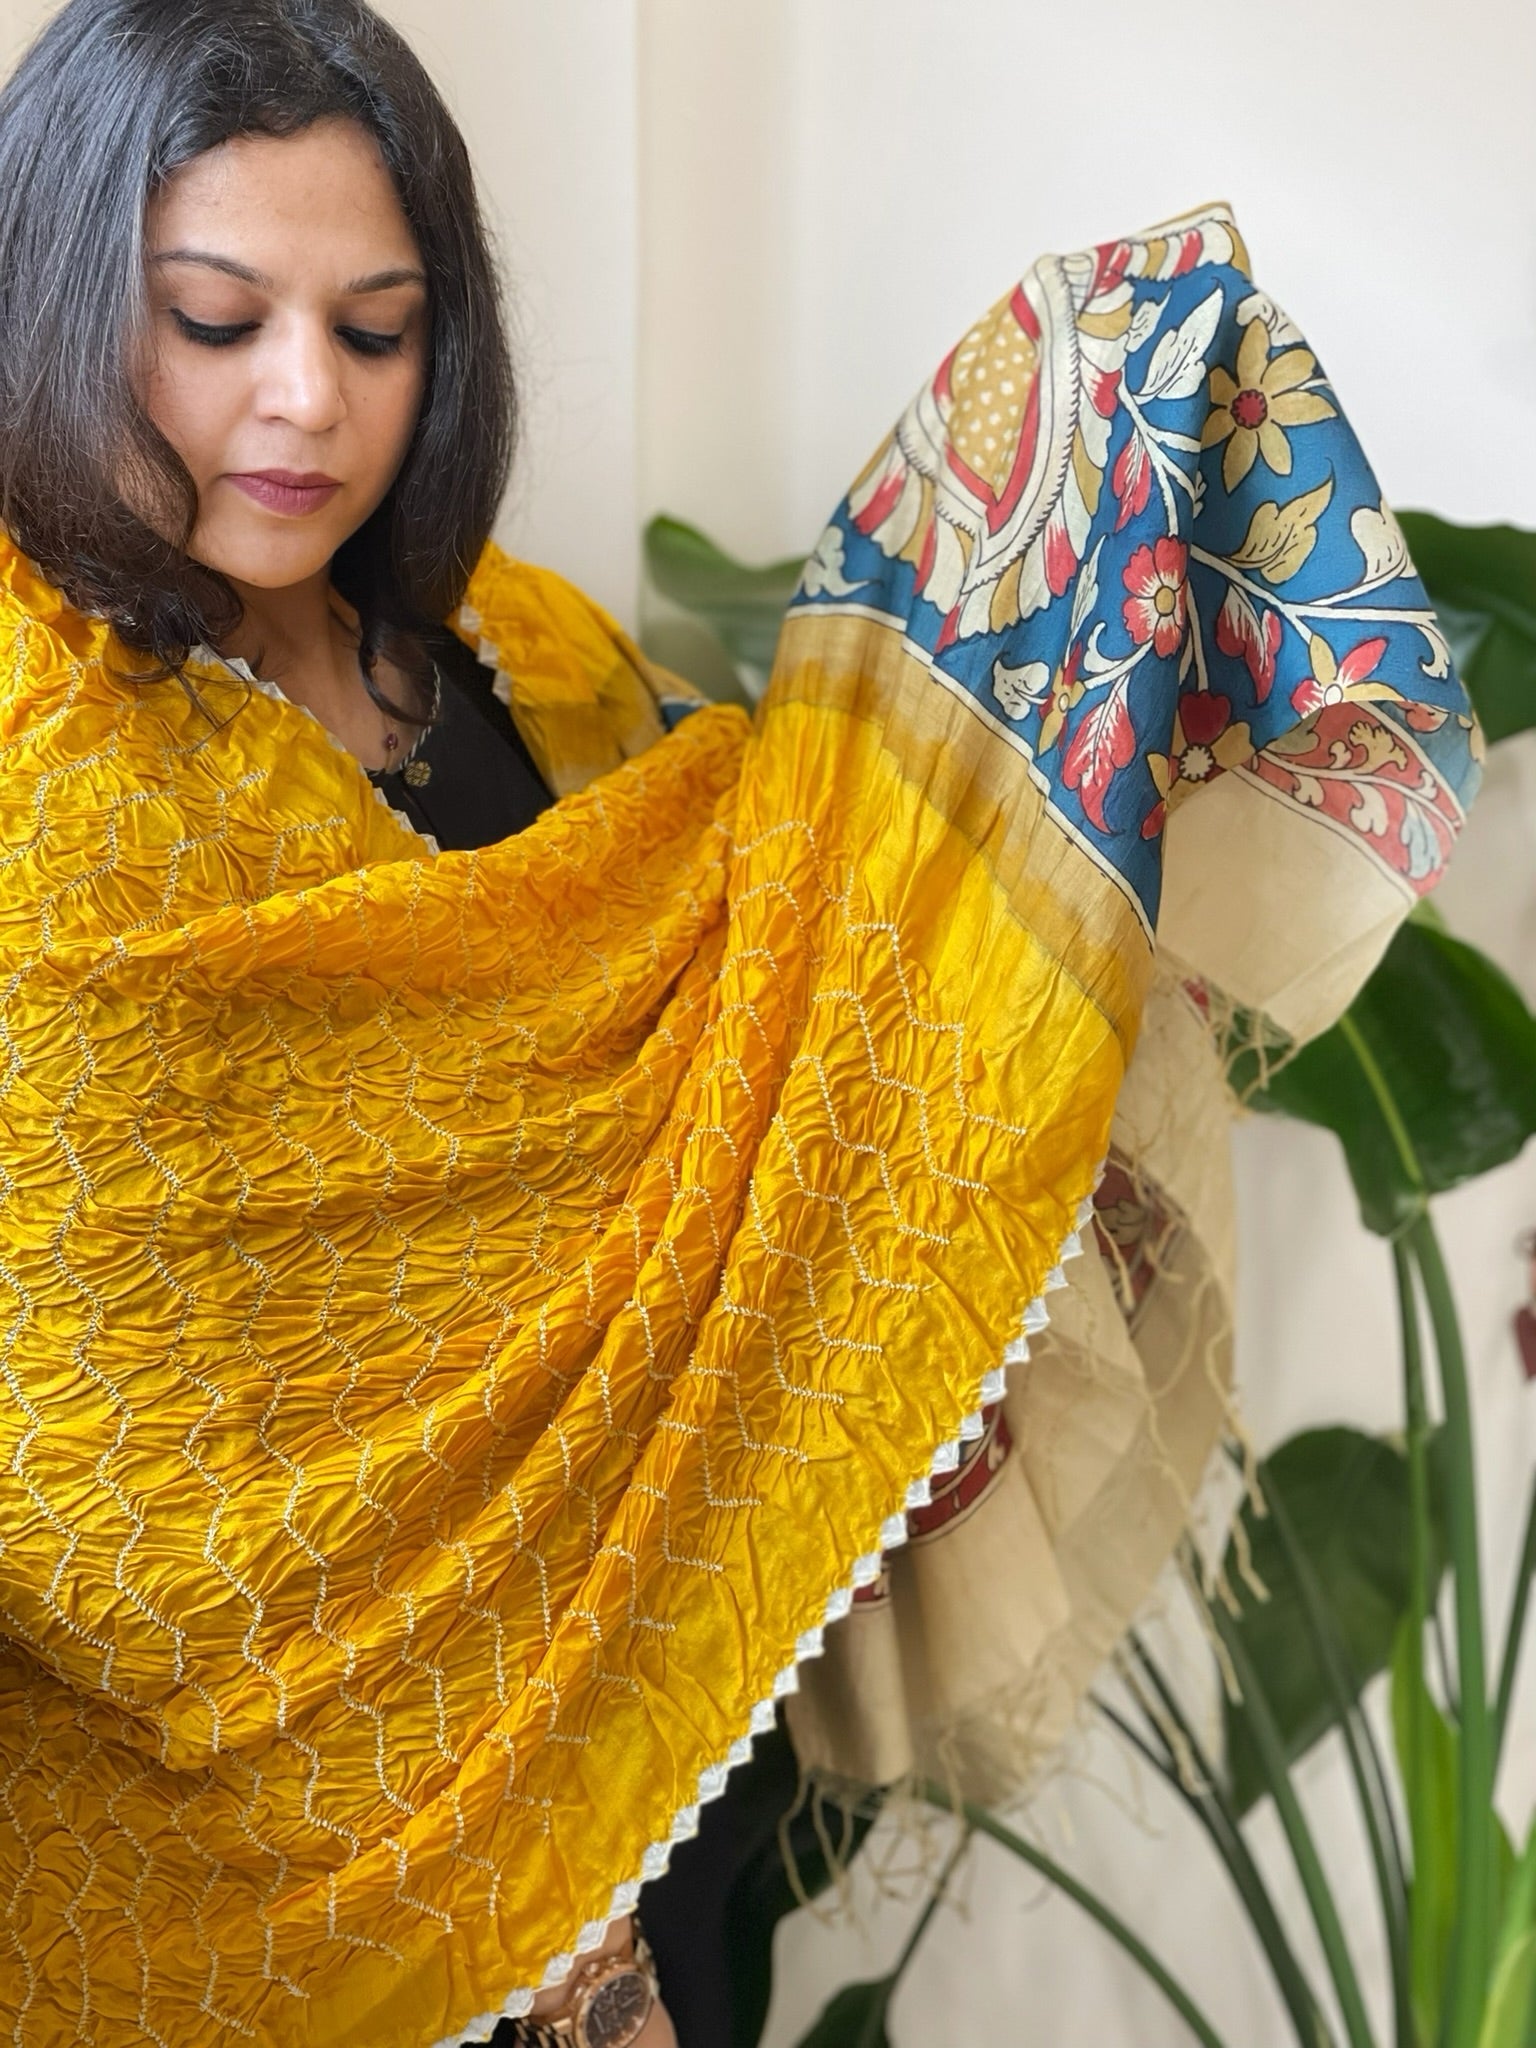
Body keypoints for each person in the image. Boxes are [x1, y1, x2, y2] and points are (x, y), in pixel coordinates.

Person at [0, 4, 1480, 2046]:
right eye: (212, 316)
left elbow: (755, 1093)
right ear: (65, 293)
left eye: (375, 328)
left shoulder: (536, 658)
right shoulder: (32, 760)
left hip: (648, 1762)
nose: (301, 403)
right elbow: (99, 1399)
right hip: (249, 1874)